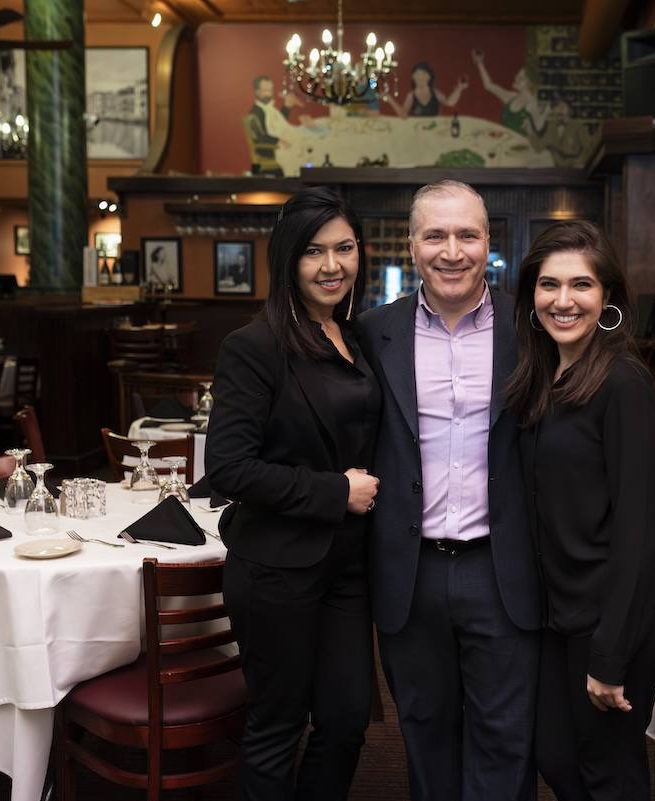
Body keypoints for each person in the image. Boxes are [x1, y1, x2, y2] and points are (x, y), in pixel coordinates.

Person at [358, 180, 543, 801]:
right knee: (425, 731)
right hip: (410, 572)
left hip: (503, 567)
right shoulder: (371, 333)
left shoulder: (533, 328)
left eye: (467, 234)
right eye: (435, 235)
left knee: (506, 737)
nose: (452, 250)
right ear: (411, 246)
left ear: (489, 243)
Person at [205, 186, 382, 800]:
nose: (332, 265)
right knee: (278, 725)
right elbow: (228, 468)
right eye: (313, 252)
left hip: (349, 565)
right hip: (277, 565)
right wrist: (335, 492)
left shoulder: (356, 338)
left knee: (347, 721)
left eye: (344, 248)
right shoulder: (253, 347)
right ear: (287, 259)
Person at [505, 220, 655, 800]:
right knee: (554, 754)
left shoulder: (623, 383)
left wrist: (609, 655)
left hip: (619, 612)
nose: (563, 300)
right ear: (531, 295)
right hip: (564, 610)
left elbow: (638, 530)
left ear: (607, 296)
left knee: (609, 771)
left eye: (581, 284)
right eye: (548, 285)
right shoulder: (544, 373)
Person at [471, 48, 548, 137]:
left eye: (521, 78)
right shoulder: (511, 97)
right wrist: (480, 63)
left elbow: (539, 128)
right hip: (503, 140)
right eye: (517, 75)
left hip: (518, 146)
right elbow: (489, 85)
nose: (516, 79)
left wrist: (543, 113)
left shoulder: (531, 103)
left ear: (529, 83)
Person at [394, 61, 467, 119]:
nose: (420, 78)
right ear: (413, 77)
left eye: (423, 75)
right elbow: (403, 114)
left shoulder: (435, 93)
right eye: (417, 75)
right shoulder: (411, 95)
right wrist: (389, 99)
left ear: (429, 77)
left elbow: (449, 103)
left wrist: (459, 88)